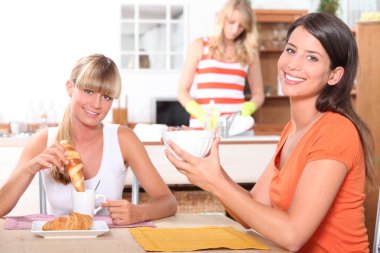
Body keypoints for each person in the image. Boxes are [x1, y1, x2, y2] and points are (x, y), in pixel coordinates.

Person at [165, 12, 376, 252]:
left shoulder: (336, 131)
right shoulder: (292, 129)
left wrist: (216, 183)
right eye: (291, 50)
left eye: (312, 58)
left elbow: (292, 235)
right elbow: (252, 208)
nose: (293, 64)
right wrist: (213, 172)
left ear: (334, 75)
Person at [0, 54, 177, 225]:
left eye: (106, 97)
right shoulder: (43, 140)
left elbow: (168, 202)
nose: (97, 104)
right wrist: (28, 169)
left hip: (111, 242)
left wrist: (141, 212)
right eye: (88, 91)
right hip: (58, 243)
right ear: (70, 88)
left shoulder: (124, 139)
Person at [177, 0, 264, 131]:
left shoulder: (250, 52)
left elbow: (259, 94)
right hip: (203, 128)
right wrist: (201, 115)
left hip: (237, 127)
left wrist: (247, 109)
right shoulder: (200, 46)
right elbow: (182, 92)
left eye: (241, 26)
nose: (235, 30)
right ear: (222, 18)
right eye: (231, 22)